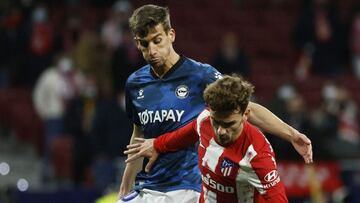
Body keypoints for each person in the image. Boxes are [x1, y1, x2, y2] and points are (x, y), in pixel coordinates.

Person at [118, 4, 312, 203]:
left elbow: (245, 108)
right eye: (144, 44)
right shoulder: (135, 84)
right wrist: (125, 186)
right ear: (137, 43)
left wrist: (292, 135)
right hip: (148, 185)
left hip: (187, 186)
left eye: (157, 41)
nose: (152, 51)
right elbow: (138, 137)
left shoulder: (201, 74)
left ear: (171, 35)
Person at [125, 75, 301, 202]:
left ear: (246, 114)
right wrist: (158, 144)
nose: (221, 131)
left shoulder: (256, 155)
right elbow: (185, 134)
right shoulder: (205, 120)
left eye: (230, 124)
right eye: (217, 122)